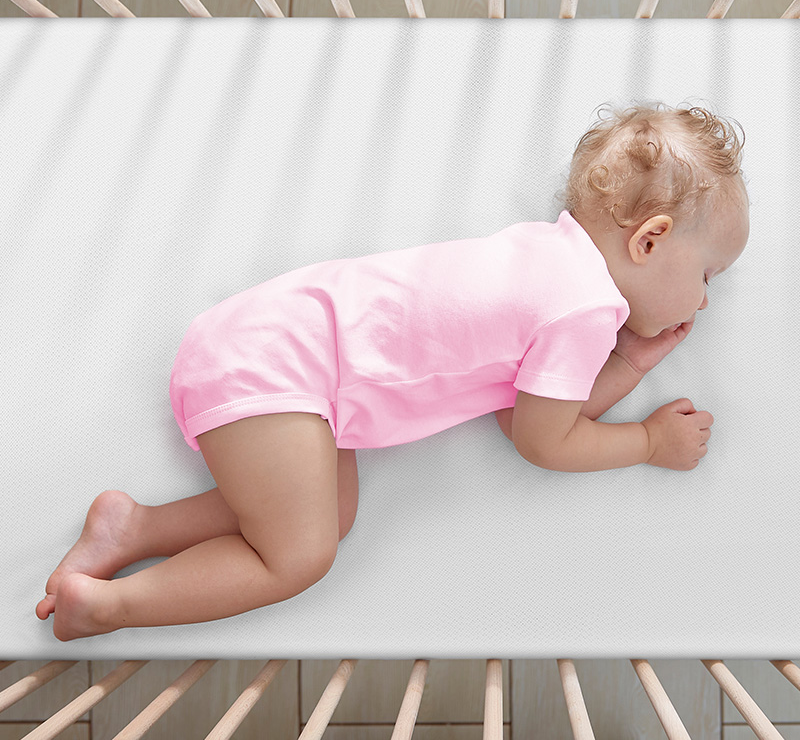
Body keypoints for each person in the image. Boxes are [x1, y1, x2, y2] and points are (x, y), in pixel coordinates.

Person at [36, 101, 750, 641]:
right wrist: (649, 443)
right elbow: (542, 440)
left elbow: (525, 411)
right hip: (278, 367)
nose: (706, 299)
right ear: (651, 240)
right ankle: (112, 607)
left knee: (328, 514)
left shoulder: (545, 254)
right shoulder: (583, 309)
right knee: (299, 558)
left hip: (279, 349)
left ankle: (134, 529)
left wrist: (626, 362)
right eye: (709, 273)